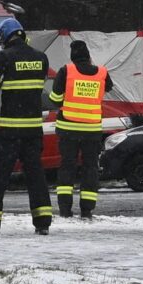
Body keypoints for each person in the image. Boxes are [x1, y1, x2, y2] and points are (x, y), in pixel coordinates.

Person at [0, 16, 56, 234]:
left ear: (5, 37)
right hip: (33, 131)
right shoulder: (41, 58)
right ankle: (43, 221)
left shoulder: (2, 58)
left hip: (7, 130)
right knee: (36, 175)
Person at [52, 39, 109, 222]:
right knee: (90, 168)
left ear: (73, 56)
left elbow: (54, 97)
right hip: (92, 129)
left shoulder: (66, 71)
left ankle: (65, 210)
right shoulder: (101, 72)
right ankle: (86, 210)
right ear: (88, 55)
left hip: (68, 128)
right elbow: (107, 88)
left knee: (67, 167)